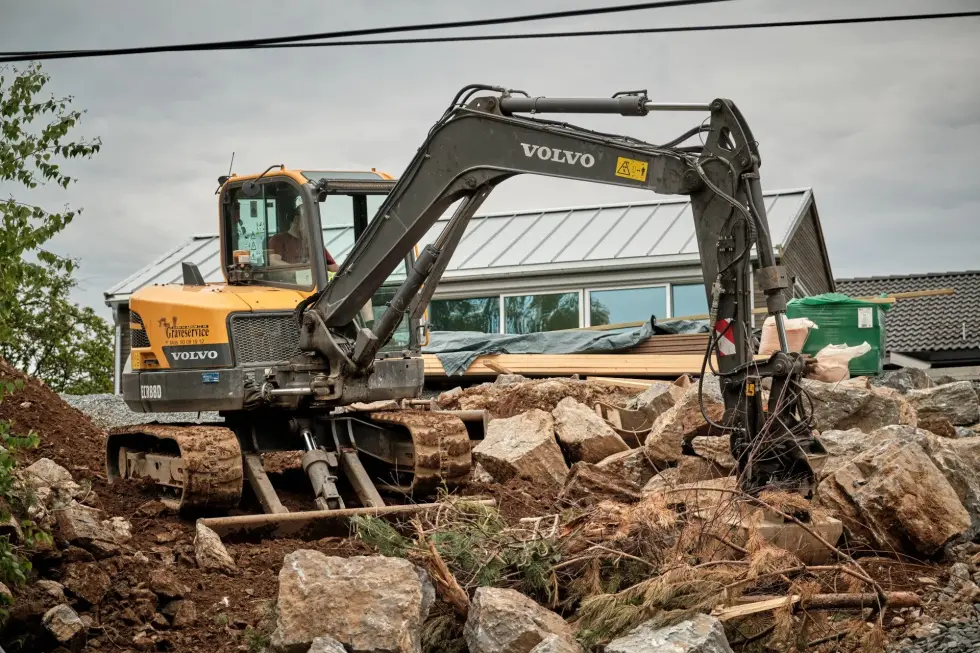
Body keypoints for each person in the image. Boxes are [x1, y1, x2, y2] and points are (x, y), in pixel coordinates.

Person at [268, 204, 339, 273]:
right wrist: (298, 271)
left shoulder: (313, 241)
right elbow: (274, 262)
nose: (311, 225)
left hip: (313, 280)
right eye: (308, 221)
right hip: (289, 280)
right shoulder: (278, 239)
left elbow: (333, 267)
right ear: (296, 219)